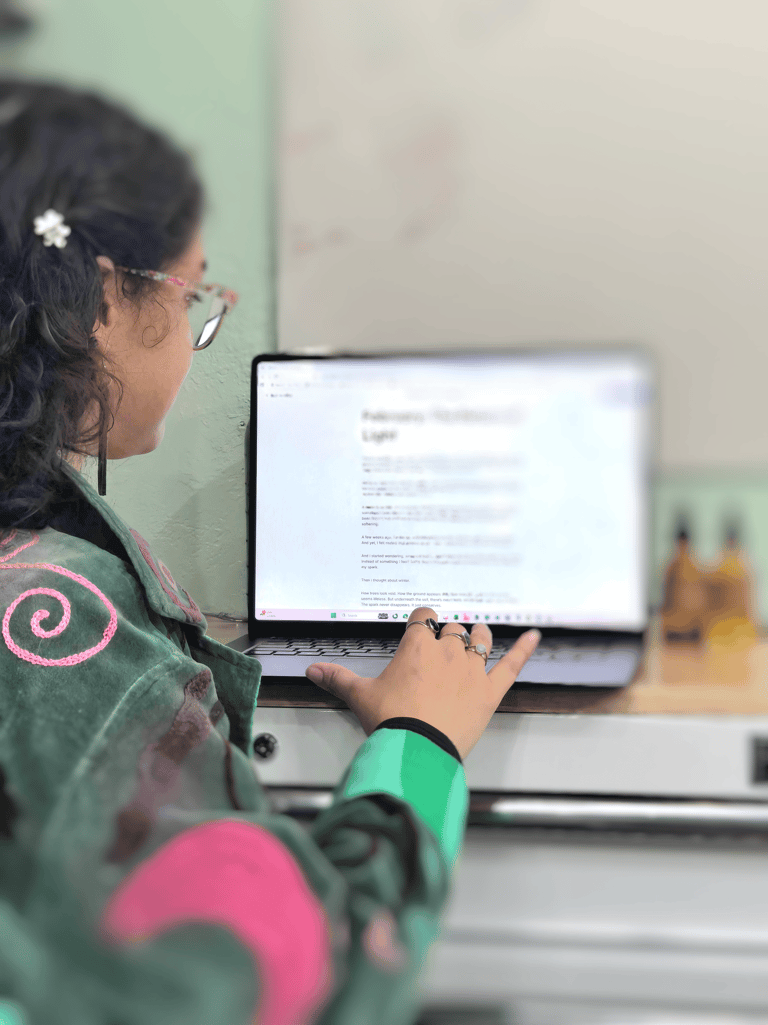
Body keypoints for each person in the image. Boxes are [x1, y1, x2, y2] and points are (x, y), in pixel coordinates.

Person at [0, 79, 540, 1025]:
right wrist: (420, 740)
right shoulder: (60, 623)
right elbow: (302, 984)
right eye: (193, 293)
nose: (197, 333)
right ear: (101, 299)